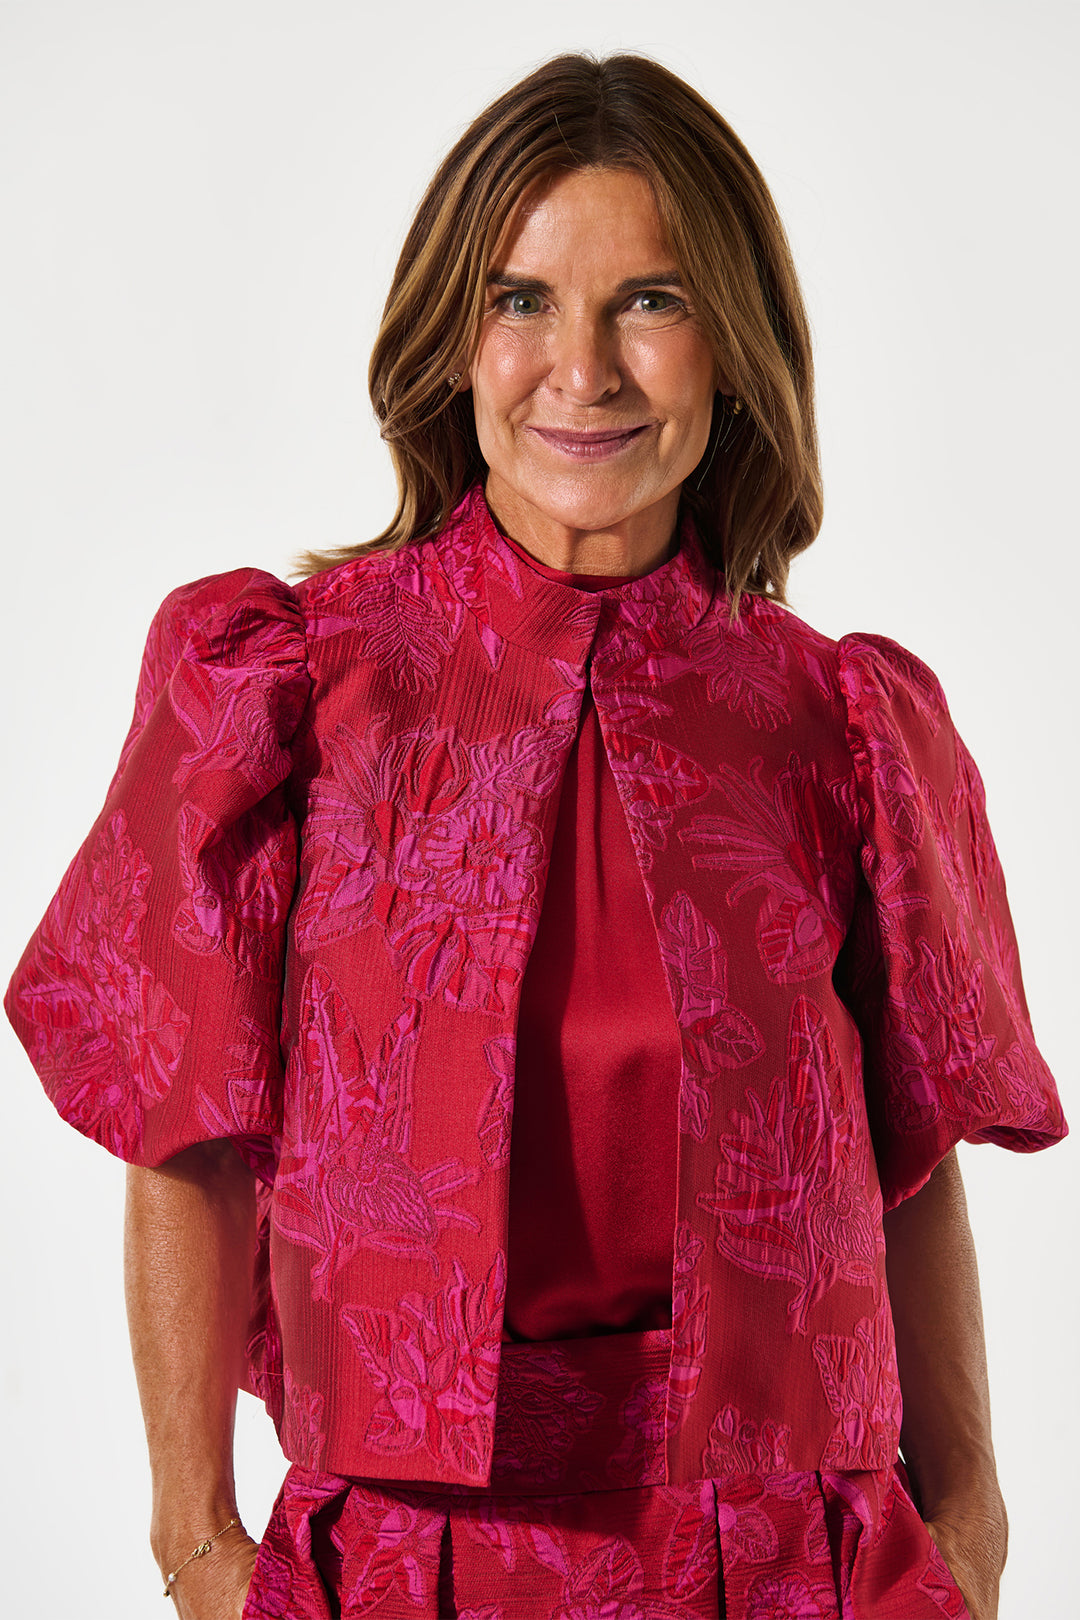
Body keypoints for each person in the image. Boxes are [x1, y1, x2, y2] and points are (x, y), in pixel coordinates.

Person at [5, 52, 1067, 1620]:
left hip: (793, 1563)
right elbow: (184, 1127)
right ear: (452, 339)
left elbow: (905, 1168)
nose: (585, 369)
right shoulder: (287, 691)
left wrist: (970, 1527)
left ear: (735, 346)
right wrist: (199, 1548)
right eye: (519, 301)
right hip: (412, 1564)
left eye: (651, 299)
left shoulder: (835, 725)